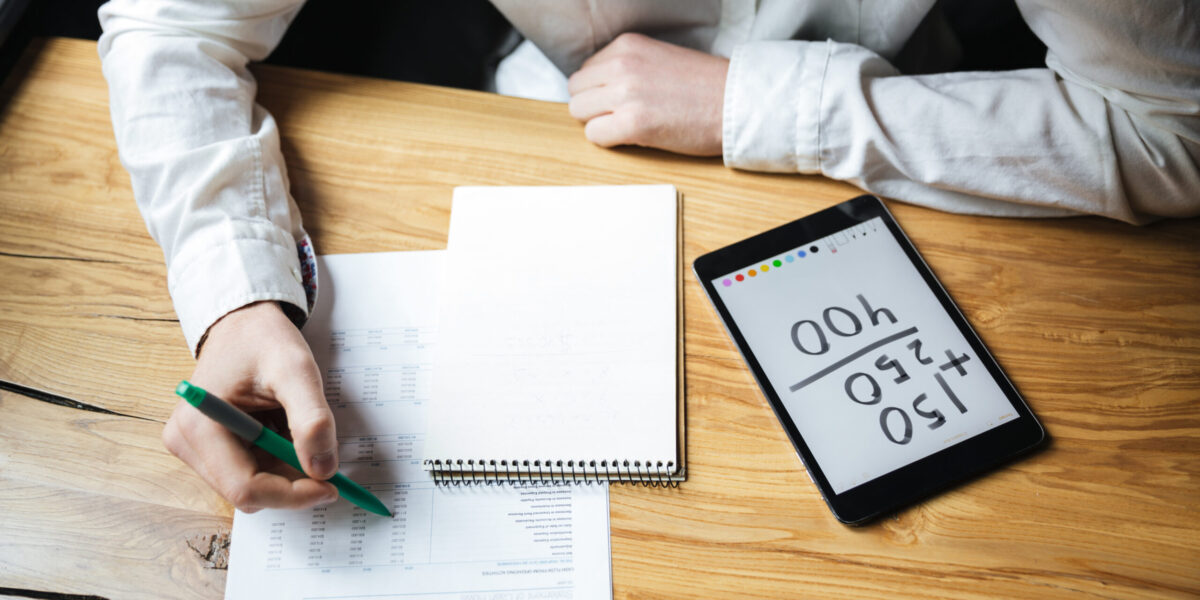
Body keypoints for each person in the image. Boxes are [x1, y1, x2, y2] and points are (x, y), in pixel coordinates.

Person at [97, 0, 1200, 513]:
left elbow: (1174, 128)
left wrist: (761, 100)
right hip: (537, 127)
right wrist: (236, 291)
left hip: (918, 143)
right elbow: (170, 25)